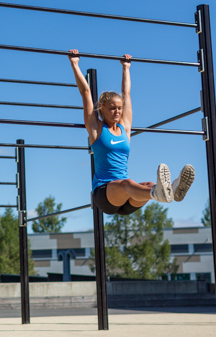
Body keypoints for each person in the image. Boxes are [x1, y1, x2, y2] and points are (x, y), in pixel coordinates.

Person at [69, 49, 194, 216]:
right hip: (105, 194)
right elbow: (85, 92)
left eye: (119, 108)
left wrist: (126, 68)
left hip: (126, 199)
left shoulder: (124, 128)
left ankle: (171, 189)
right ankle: (161, 193)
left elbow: (126, 95)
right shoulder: (96, 129)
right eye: (112, 108)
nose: (117, 112)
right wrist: (75, 64)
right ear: (102, 109)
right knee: (129, 184)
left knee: (149, 184)